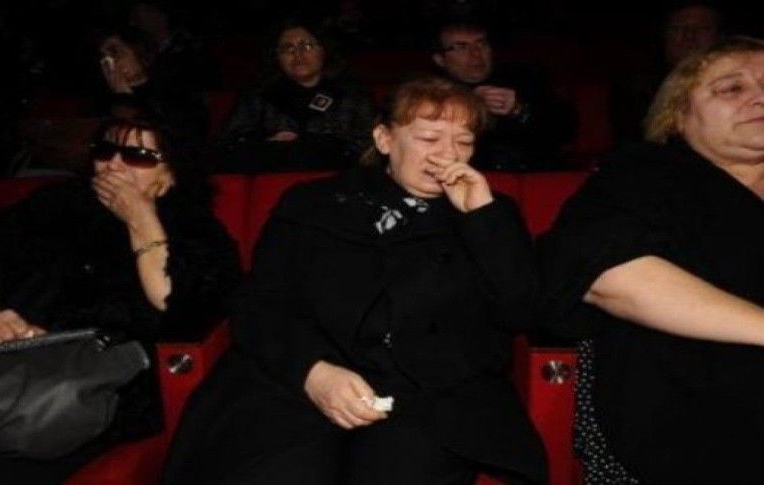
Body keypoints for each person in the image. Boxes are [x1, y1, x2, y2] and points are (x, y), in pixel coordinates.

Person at [164, 77, 546, 484]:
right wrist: (313, 373)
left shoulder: (489, 211)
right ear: (384, 139)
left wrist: (482, 219)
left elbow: (522, 311)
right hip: (303, 379)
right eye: (429, 138)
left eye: (464, 142)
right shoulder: (312, 202)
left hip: (429, 397)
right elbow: (258, 305)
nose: (449, 154)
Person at [539, 36, 764, 483]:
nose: (759, 97)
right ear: (677, 115)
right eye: (732, 88)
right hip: (687, 424)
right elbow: (610, 276)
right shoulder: (640, 175)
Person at [0, 113, 241, 484]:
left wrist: (140, 218)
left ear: (172, 173)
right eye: (105, 150)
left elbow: (174, 300)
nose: (113, 164)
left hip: (102, 387)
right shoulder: (52, 205)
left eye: (137, 156)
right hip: (12, 361)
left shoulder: (194, 229)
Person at [214, 18, 376, 171]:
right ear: (276, 56)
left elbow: (368, 149)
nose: (297, 54)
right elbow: (229, 144)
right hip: (274, 176)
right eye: (287, 48)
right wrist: (268, 143)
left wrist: (314, 144)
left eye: (307, 46)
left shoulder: (352, 96)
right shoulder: (258, 97)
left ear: (324, 50)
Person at [431, 20, 576, 171]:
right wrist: (468, 105)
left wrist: (518, 110)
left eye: (481, 43)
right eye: (461, 47)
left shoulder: (527, 78)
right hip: (468, 176)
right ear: (440, 59)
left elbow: (565, 131)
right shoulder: (431, 93)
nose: (476, 54)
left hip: (537, 174)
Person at [609, 3, 723, 144]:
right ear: (664, 36)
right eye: (678, 28)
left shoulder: (739, 83)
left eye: (702, 28)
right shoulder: (638, 86)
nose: (689, 36)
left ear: (719, 36)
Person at [96, 27, 209, 140]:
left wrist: (125, 97)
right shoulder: (104, 98)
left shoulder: (174, 91)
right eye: (103, 56)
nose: (109, 61)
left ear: (142, 55)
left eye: (116, 52)